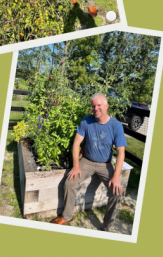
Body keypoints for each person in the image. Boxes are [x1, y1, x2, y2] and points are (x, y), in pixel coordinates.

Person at [51, 93, 127, 231]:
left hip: (106, 164)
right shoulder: (86, 121)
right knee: (70, 182)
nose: (96, 108)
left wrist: (116, 176)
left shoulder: (116, 126)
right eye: (93, 106)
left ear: (106, 106)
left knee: (117, 192)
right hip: (87, 161)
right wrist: (76, 166)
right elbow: (76, 144)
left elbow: (121, 152)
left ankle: (106, 227)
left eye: (99, 105)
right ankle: (67, 216)